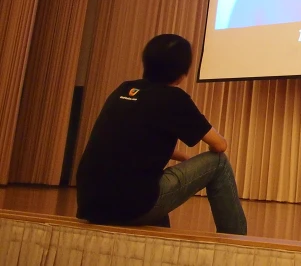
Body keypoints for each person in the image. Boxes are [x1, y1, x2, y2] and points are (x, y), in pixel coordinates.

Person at [76, 34, 247, 235]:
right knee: (219, 163)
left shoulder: (126, 89)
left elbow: (131, 139)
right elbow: (219, 145)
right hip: (131, 208)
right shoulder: (174, 98)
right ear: (183, 72)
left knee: (148, 183)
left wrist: (182, 157)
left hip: (90, 204)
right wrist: (206, 159)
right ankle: (236, 239)